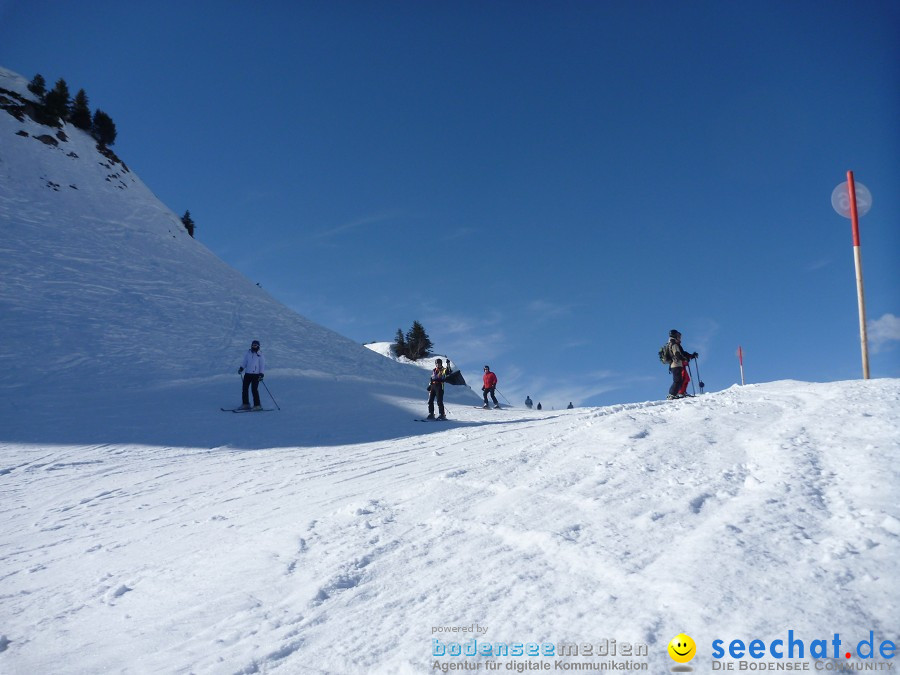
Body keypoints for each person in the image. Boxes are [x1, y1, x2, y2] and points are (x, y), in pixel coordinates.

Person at [665, 329, 698, 400]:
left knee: (680, 380)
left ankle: (676, 393)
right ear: (675, 336)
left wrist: (690, 356)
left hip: (676, 364)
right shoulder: (674, 344)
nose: (679, 337)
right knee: (677, 380)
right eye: (678, 336)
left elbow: (682, 353)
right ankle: (672, 394)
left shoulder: (673, 344)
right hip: (676, 364)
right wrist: (684, 359)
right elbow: (677, 354)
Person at [238, 339, 266, 410]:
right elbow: (245, 362)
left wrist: (261, 374)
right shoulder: (248, 353)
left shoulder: (260, 355)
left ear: (258, 346)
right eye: (253, 345)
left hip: (256, 375)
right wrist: (241, 368)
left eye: (255, 345)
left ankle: (257, 405)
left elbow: (262, 366)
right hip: (247, 374)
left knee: (254, 389)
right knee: (244, 389)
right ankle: (246, 404)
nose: (254, 346)